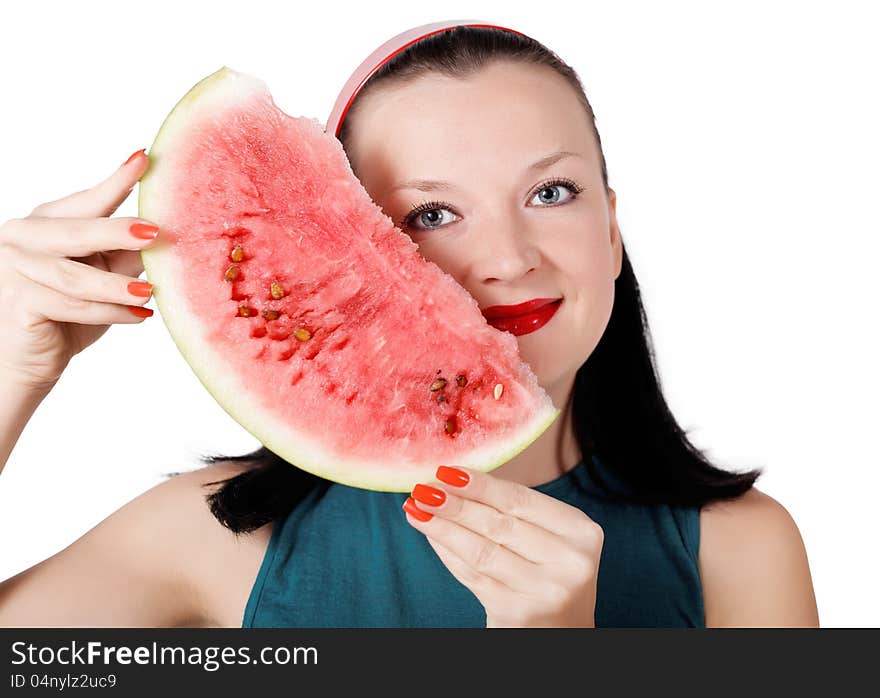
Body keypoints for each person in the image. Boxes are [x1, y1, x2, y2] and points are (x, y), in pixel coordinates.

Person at [0, 21, 819, 628]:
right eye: (430, 212)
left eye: (552, 192)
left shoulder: (740, 551)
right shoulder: (213, 538)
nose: (506, 258)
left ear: (611, 230)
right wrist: (12, 368)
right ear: (349, 254)